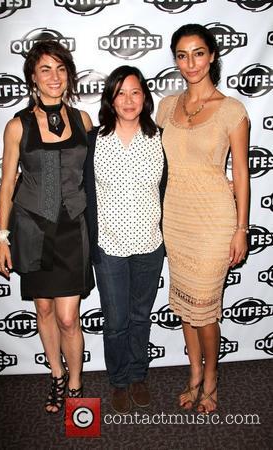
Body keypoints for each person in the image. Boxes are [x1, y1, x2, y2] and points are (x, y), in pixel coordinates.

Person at [0, 40, 94, 413]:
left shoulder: (82, 120)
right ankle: (56, 375)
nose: (54, 77)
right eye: (45, 70)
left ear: (69, 74)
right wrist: (2, 238)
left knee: (69, 317)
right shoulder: (17, 125)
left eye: (60, 68)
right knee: (45, 313)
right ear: (33, 78)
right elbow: (6, 185)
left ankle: (75, 382)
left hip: (72, 230)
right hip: (32, 230)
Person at [156, 24, 249, 414]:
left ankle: (211, 380)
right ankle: (193, 373)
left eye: (197, 53)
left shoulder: (232, 110)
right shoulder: (165, 106)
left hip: (213, 221)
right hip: (175, 218)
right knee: (186, 305)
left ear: (211, 56)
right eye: (181, 54)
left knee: (206, 308)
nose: (189, 62)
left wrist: (241, 228)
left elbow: (241, 172)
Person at [84, 65, 167, 414]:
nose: (129, 100)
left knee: (140, 317)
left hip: (150, 244)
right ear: (111, 99)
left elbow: (176, 184)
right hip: (109, 247)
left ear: (145, 97)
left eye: (135, 92)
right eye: (121, 93)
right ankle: (118, 381)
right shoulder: (94, 140)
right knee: (116, 321)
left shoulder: (161, 137)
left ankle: (138, 376)